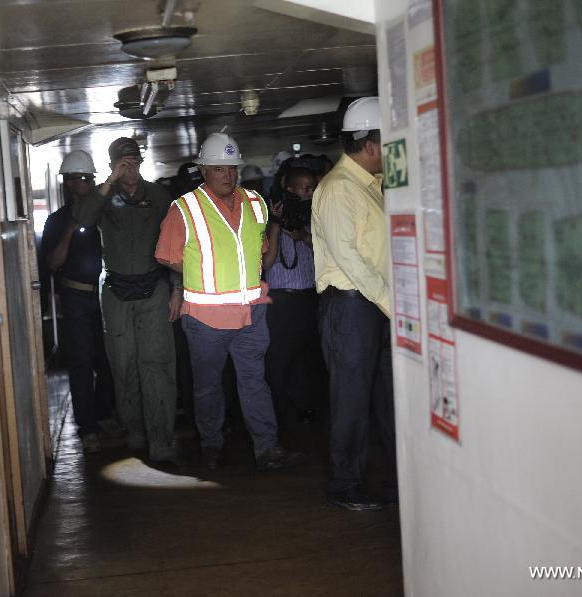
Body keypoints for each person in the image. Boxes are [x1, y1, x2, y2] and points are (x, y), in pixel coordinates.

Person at [155, 132, 305, 471]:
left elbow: (260, 254)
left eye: (232, 169)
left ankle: (266, 448)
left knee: (254, 380)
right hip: (205, 318)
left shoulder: (255, 203)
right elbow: (167, 257)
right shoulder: (184, 208)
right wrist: (201, 270)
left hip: (251, 315)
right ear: (203, 170)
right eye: (220, 169)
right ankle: (211, 445)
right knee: (208, 387)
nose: (228, 175)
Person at [312, 97, 399, 511]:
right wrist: (390, 302)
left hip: (376, 307)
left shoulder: (371, 186)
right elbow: (350, 258)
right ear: (370, 145)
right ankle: (344, 484)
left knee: (388, 398)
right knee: (351, 400)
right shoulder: (337, 190)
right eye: (388, 143)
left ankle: (399, 482)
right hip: (351, 309)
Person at [70, 137, 179, 464]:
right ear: (113, 165)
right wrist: (109, 184)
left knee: (157, 365)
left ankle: (161, 441)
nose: (129, 167)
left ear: (142, 162)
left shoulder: (159, 197)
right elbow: (83, 221)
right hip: (117, 293)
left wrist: (177, 288)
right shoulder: (103, 197)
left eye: (133, 160)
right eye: (122, 162)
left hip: (153, 290)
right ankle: (135, 429)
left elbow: (176, 244)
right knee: (124, 366)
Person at [40, 150, 116, 454]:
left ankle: (105, 414)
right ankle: (87, 428)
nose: (78, 184)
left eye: (84, 178)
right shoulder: (57, 221)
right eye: (72, 179)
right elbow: (53, 263)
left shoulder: (106, 213)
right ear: (65, 184)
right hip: (76, 298)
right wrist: (70, 231)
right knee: (81, 363)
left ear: (93, 180)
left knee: (110, 358)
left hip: (108, 295)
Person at [263, 167, 326, 427]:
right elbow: (265, 264)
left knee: (308, 359)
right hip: (282, 301)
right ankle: (280, 413)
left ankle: (307, 408)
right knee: (280, 361)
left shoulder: (317, 216)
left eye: (313, 187)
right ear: (290, 189)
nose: (311, 192)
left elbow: (328, 249)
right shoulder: (268, 218)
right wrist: (277, 225)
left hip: (310, 297)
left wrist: (303, 236)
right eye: (306, 188)